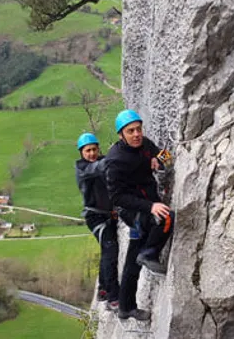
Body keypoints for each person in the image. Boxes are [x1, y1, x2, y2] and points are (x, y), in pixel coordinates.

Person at [106, 109, 174, 322]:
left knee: (132, 261)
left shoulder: (145, 144)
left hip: (147, 203)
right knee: (166, 217)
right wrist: (150, 206)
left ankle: (126, 307)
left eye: (138, 129)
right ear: (121, 135)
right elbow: (117, 197)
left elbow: (167, 154)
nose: (136, 134)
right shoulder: (115, 160)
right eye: (130, 131)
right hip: (133, 210)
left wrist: (159, 160)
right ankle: (150, 253)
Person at [74, 132, 119, 312]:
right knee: (111, 252)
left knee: (106, 251)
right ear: (81, 153)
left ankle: (102, 289)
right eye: (88, 151)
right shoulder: (83, 169)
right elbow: (100, 167)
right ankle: (113, 297)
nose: (91, 153)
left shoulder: (101, 161)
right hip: (96, 218)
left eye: (94, 149)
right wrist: (117, 156)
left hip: (108, 215)